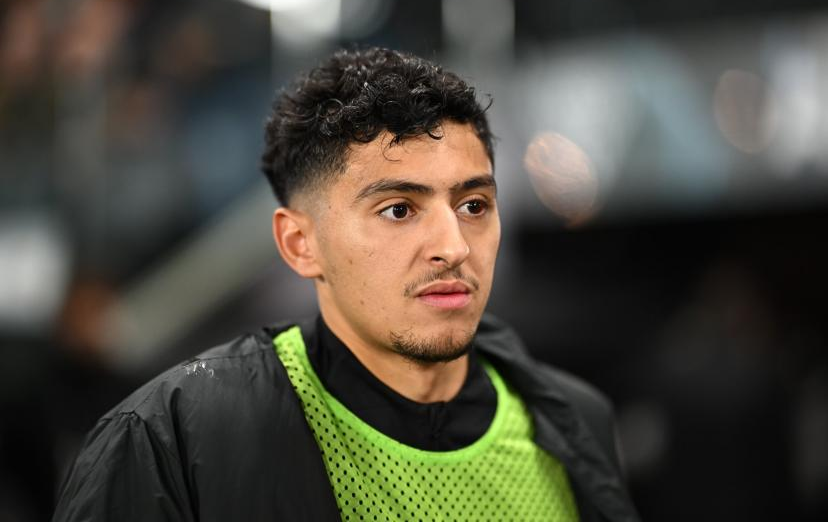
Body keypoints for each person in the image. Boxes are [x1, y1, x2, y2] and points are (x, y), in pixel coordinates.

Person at [53, 47, 640, 522]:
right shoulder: (174, 439)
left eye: (473, 205)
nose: (455, 246)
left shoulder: (575, 424)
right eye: (398, 209)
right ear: (299, 244)